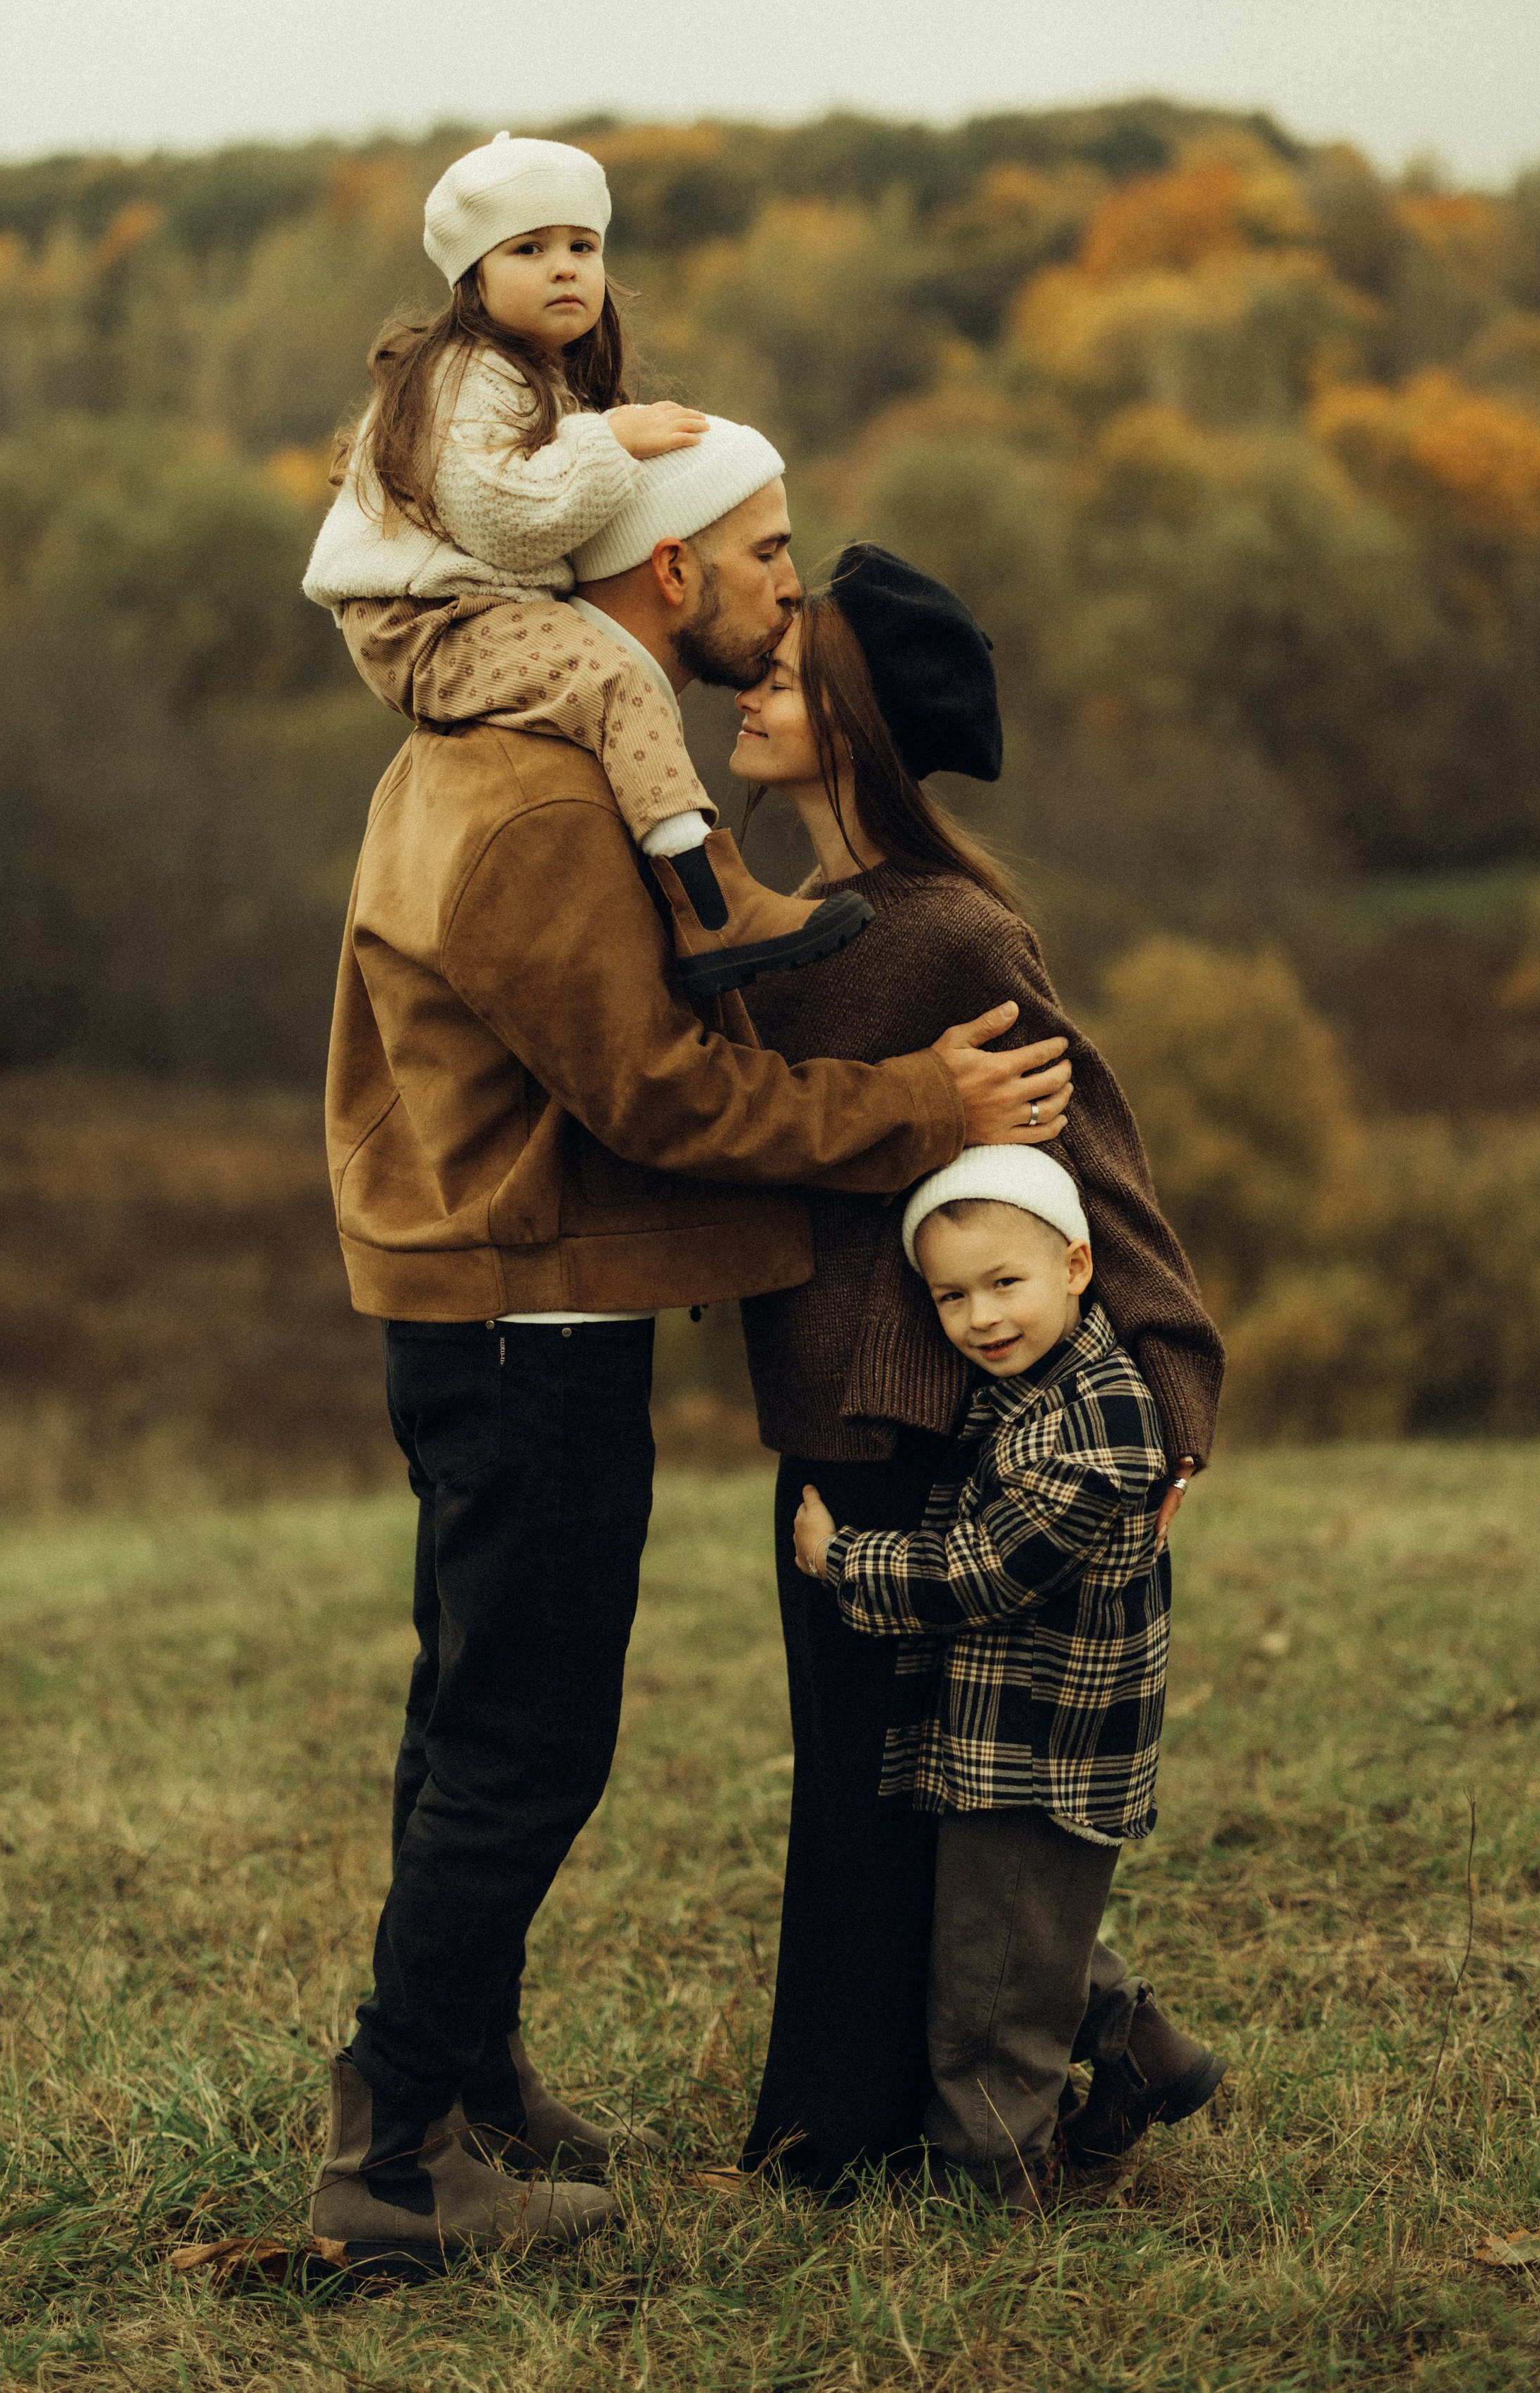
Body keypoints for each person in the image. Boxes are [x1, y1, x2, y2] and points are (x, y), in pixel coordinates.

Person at [307, 452, 1080, 2262]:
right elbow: (658, 1091)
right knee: (524, 1737)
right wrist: (919, 1106)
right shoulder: (539, 806)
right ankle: (397, 2150)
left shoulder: (536, 760)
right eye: (761, 556)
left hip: (491, 1299)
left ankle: (463, 2075)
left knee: (468, 1712)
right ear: (665, 574)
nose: (774, 593)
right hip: (525, 1318)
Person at [731, 546, 1226, 2197]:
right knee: (884, 1789)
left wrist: (1166, 1394)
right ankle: (1004, 2066)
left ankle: (841, 2136)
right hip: (829, 1410)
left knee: (886, 1795)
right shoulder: (806, 920)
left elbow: (1096, 1154)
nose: (753, 688)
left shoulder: (949, 933)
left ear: (854, 728)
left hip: (912, 1419)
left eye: (790, 675)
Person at [302, 131, 867, 994]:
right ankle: (710, 902)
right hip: (421, 621)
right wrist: (608, 442)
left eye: (582, 246)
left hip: (460, 607)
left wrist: (598, 433)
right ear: (473, 279)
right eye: (528, 249)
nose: (563, 268)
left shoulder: (530, 378)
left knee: (603, 671)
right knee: (610, 678)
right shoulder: (464, 377)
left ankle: (685, 893)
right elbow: (512, 524)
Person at [793, 1149, 1227, 2206]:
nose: (980, 1317)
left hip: (1047, 1747)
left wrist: (837, 1558)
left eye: (1004, 1284)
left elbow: (983, 1572)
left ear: (1077, 1267)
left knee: (991, 1982)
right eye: (951, 1296)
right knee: (1011, 1932)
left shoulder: (1098, 1419)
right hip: (1004, 1735)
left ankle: (993, 2172)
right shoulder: (1033, 1383)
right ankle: (1140, 2048)